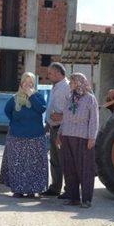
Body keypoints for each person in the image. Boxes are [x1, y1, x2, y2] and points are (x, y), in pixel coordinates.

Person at [0, 72, 48, 198]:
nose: (28, 85)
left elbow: (41, 109)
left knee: (33, 165)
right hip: (17, 137)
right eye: (25, 83)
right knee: (18, 164)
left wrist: (31, 95)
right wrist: (16, 123)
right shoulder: (15, 98)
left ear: (34, 85)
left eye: (30, 83)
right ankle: (18, 189)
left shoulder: (38, 97)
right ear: (21, 84)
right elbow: (7, 111)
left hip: (35, 137)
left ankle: (32, 190)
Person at [57, 73, 99, 208]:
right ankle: (73, 197)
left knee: (85, 169)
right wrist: (59, 133)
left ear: (79, 82)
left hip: (83, 138)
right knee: (69, 168)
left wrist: (92, 137)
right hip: (67, 136)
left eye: (72, 82)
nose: (70, 84)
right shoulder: (69, 98)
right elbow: (65, 118)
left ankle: (86, 199)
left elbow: (94, 120)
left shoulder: (90, 99)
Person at [43, 62, 69, 198]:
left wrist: (62, 116)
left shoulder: (67, 87)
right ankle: (55, 188)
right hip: (53, 128)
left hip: (63, 129)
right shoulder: (55, 87)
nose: (48, 76)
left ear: (59, 73)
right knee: (55, 160)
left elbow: (75, 110)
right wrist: (47, 126)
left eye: (50, 73)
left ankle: (69, 190)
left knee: (64, 160)